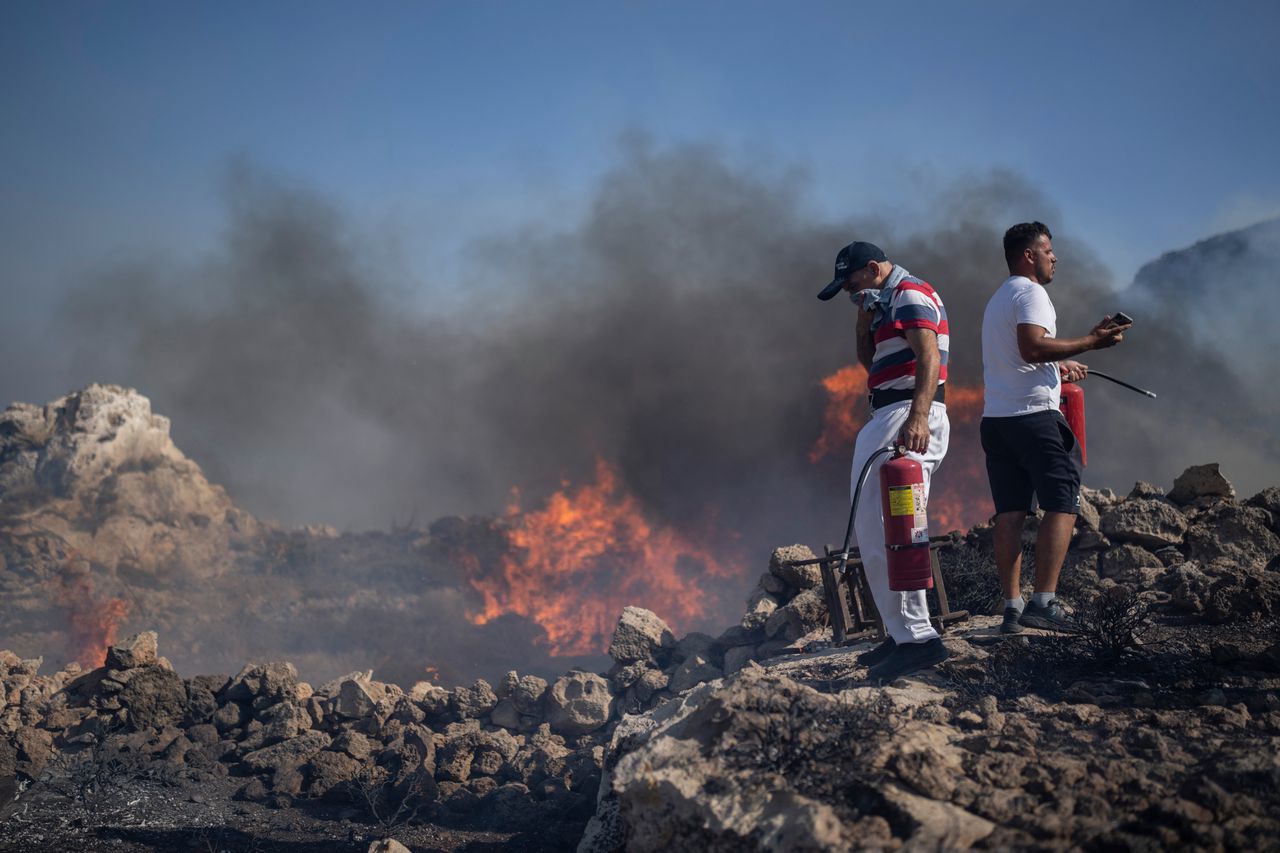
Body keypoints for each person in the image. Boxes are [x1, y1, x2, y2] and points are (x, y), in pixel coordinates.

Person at [980, 222, 1130, 633]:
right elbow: (1031, 346)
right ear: (1029, 255)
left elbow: (1018, 357)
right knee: (1063, 502)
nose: (1055, 257)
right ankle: (1043, 602)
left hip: (997, 421)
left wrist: (1058, 365)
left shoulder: (998, 299)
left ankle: (1012, 608)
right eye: (1048, 250)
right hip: (1034, 420)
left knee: (1009, 514)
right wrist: (1091, 341)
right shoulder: (1032, 293)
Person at [817, 241, 951, 681]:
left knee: (897, 526)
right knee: (873, 528)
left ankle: (919, 638)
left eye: (853, 285)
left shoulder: (908, 293)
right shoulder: (884, 302)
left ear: (873, 269)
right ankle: (900, 633)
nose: (850, 294)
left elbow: (929, 356)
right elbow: (870, 363)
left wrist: (917, 415)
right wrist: (863, 319)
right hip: (887, 412)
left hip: (905, 414)